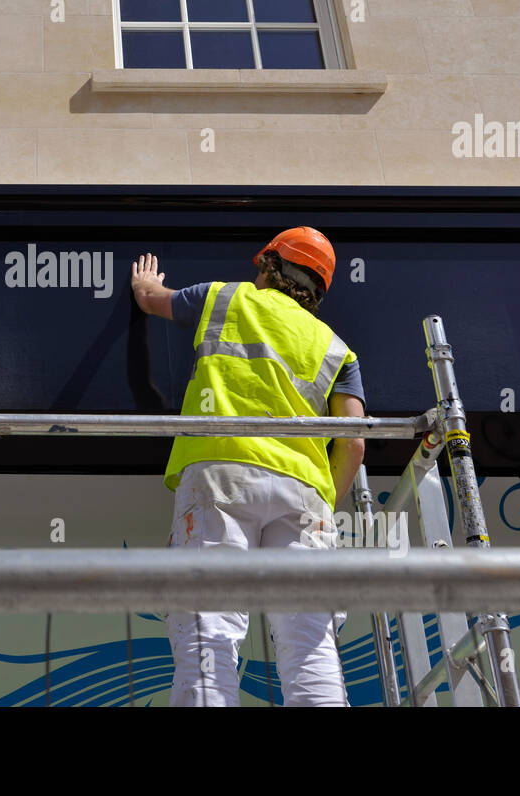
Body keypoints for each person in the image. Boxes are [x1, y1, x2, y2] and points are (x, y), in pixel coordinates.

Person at [129, 227, 367, 707]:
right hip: (304, 493)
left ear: (268, 265)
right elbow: (355, 443)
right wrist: (323, 507)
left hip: (221, 475)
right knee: (311, 646)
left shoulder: (223, 299)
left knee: (209, 632)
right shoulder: (336, 347)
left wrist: (142, 286)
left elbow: (154, 301)